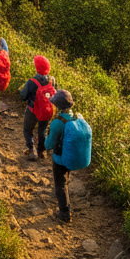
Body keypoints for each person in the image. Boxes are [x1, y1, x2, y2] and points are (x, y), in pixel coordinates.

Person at [44, 89, 89, 224]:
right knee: (65, 179)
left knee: (60, 184)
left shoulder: (58, 122)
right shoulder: (77, 117)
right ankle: (65, 201)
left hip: (60, 158)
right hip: (73, 155)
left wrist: (45, 140)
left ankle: (65, 214)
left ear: (57, 106)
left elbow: (49, 144)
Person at [18, 55, 57, 160]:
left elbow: (23, 97)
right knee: (42, 131)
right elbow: (55, 95)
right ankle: (41, 151)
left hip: (33, 110)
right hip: (47, 110)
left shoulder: (32, 82)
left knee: (27, 130)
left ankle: (32, 150)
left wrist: (21, 91)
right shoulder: (52, 80)